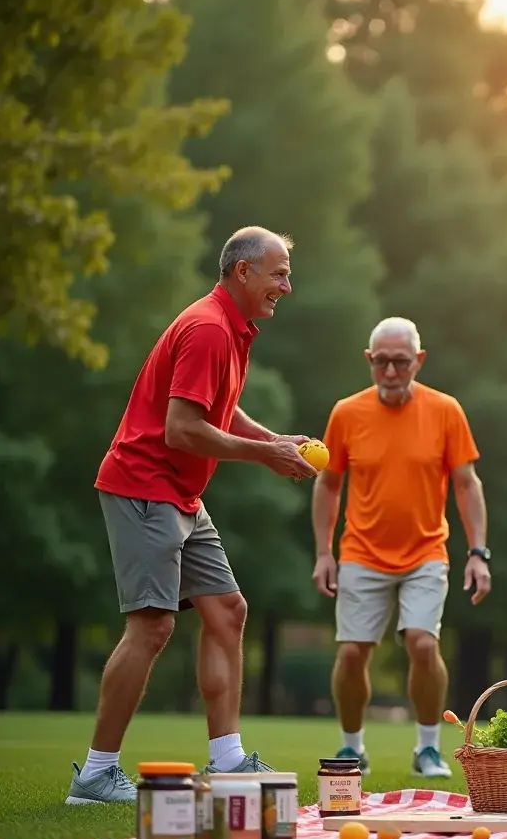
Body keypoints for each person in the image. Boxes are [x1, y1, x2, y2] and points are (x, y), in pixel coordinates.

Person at [66, 227, 320, 805]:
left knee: (228, 610)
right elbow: (182, 430)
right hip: (143, 485)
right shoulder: (208, 328)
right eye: (279, 274)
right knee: (152, 625)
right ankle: (96, 774)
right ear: (243, 272)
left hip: (180, 494)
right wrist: (265, 456)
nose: (286, 286)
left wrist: (274, 440)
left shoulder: (231, 328)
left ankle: (227, 761)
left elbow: (221, 409)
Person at [311, 316, 491, 778]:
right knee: (352, 653)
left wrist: (478, 553)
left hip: (426, 551)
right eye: (382, 362)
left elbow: (466, 484)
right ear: (369, 361)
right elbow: (328, 484)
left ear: (419, 361)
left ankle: (427, 749)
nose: (391, 372)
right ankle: (352, 748)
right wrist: (324, 552)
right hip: (361, 552)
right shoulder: (346, 413)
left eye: (401, 362)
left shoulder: (445, 410)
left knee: (423, 644)